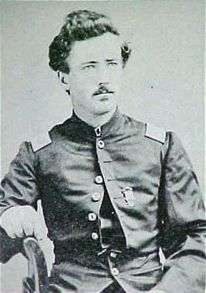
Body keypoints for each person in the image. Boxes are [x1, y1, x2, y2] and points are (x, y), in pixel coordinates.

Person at [0, 9, 205, 293]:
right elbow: (3, 225)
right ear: (64, 78)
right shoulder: (38, 153)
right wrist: (9, 218)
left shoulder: (160, 145)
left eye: (111, 64)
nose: (103, 78)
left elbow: (195, 239)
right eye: (89, 66)